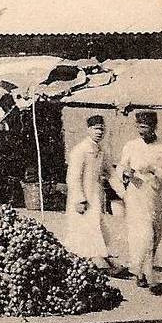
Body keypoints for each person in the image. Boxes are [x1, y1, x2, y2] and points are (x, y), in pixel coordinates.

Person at [113, 111, 162, 293]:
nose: (141, 130)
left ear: (153, 127)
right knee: (143, 235)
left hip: (156, 197)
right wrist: (126, 173)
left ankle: (142, 271)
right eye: (138, 126)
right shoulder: (130, 146)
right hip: (136, 196)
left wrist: (153, 169)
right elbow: (120, 168)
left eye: (144, 127)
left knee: (155, 236)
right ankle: (147, 275)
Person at [64, 115, 115, 270]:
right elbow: (72, 177)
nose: (99, 132)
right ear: (88, 130)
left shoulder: (100, 150)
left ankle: (98, 258)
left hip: (95, 194)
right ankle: (92, 260)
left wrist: (125, 188)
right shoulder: (80, 150)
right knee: (83, 227)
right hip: (82, 196)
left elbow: (110, 172)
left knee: (95, 225)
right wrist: (79, 199)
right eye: (95, 128)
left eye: (101, 128)